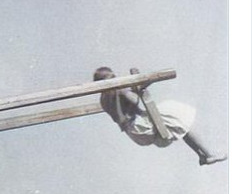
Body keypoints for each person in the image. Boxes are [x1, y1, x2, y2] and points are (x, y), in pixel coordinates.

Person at [93, 67, 226, 166]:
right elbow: (135, 100)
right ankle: (208, 154)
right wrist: (135, 89)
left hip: (134, 133)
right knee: (175, 113)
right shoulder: (117, 89)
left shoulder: (103, 99)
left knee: (179, 126)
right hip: (140, 125)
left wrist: (137, 88)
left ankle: (203, 156)